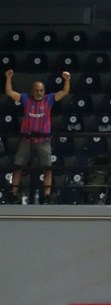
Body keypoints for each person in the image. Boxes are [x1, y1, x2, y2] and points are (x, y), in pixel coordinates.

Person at [5, 69, 70, 204]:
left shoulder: (49, 99)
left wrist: (67, 79)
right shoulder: (25, 99)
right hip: (26, 139)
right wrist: (8, 78)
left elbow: (65, 92)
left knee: (47, 169)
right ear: (32, 91)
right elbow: (10, 93)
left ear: (44, 91)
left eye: (41, 90)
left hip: (43, 140)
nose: (39, 93)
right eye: (36, 90)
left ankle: (47, 195)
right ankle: (13, 193)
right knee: (18, 167)